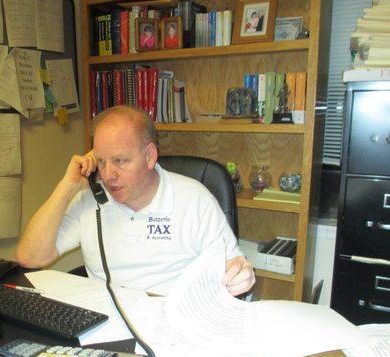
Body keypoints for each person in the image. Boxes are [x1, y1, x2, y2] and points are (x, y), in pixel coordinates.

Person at [16, 105, 255, 297]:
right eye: (101, 161)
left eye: (120, 161)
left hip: (173, 326)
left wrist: (240, 275)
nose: (108, 175)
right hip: (106, 327)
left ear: (150, 156)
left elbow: (232, 264)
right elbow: (30, 257)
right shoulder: (90, 199)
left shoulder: (194, 199)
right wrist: (67, 187)